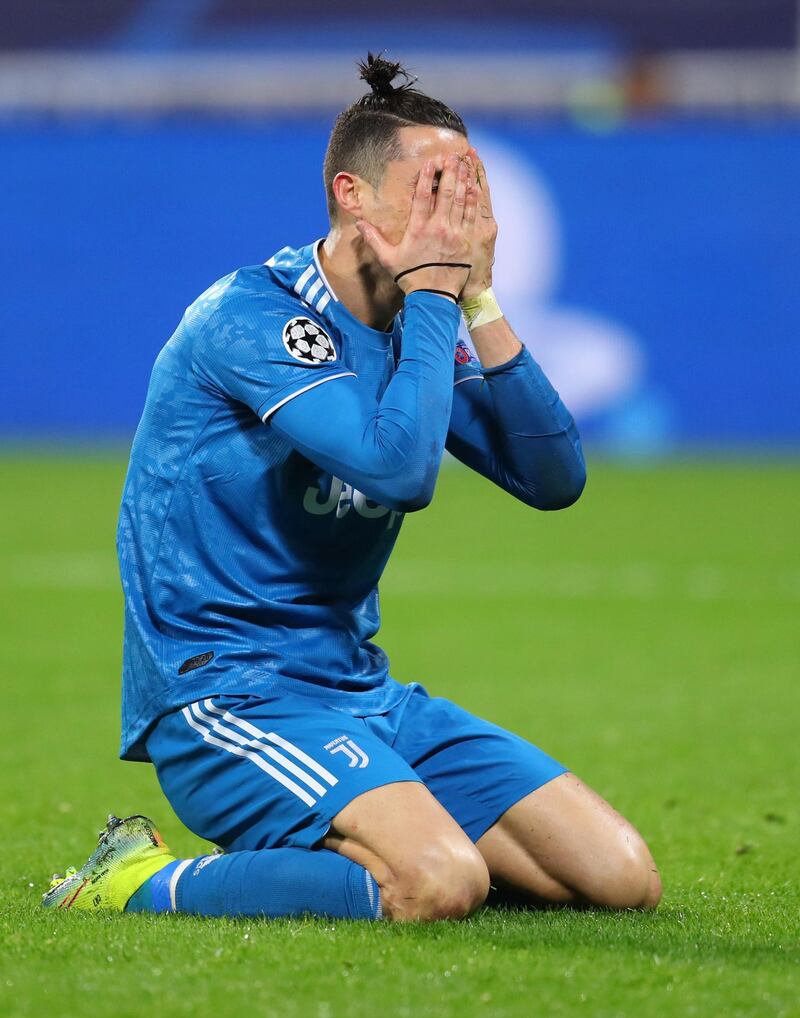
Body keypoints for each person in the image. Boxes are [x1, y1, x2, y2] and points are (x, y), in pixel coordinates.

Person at [43, 55, 660, 921]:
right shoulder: (254, 317)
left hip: (360, 693)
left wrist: (476, 300)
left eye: (468, 188)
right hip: (226, 695)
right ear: (353, 194)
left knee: (619, 878)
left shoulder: (422, 316)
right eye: (432, 188)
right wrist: (439, 301)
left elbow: (554, 477)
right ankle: (136, 880)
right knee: (437, 883)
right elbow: (398, 471)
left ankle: (374, 825)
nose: (456, 213)